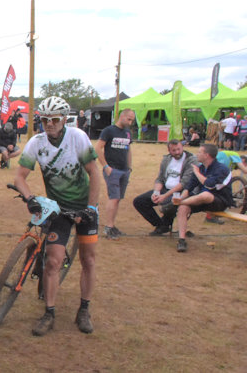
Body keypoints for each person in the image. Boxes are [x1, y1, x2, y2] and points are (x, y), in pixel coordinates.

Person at [14, 96, 101, 336]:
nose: (49, 123)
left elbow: (94, 173)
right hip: (58, 209)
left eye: (54, 119)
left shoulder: (78, 137)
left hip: (84, 206)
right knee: (52, 261)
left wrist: (91, 208)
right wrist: (31, 198)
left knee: (88, 260)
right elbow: (19, 177)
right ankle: (49, 312)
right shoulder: (36, 142)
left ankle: (84, 309)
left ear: (64, 119)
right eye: (44, 119)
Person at [175, 144, 233, 253]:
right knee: (183, 208)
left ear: (207, 155)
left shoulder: (222, 169)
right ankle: (182, 240)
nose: (197, 154)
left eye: (199, 152)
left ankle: (181, 202)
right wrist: (181, 197)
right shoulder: (201, 168)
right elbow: (189, 186)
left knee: (205, 195)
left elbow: (209, 184)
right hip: (201, 200)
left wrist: (197, 173)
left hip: (220, 202)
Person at [132, 139, 197, 236]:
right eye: (174, 150)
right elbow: (160, 179)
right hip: (165, 189)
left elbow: (184, 183)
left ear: (182, 147)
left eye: (179, 149)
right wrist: (156, 192)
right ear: (169, 151)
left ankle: (167, 223)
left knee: (168, 203)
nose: (177, 152)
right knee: (139, 201)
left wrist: (164, 196)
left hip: (181, 192)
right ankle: (161, 225)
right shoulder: (166, 159)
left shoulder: (191, 160)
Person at [95, 108, 135, 240]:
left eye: (132, 120)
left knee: (118, 199)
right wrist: (106, 166)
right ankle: (108, 227)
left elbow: (128, 150)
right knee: (114, 197)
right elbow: (98, 148)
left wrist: (129, 167)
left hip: (124, 170)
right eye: (129, 119)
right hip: (113, 170)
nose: (130, 122)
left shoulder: (128, 133)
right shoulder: (109, 130)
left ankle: (112, 225)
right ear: (122, 116)